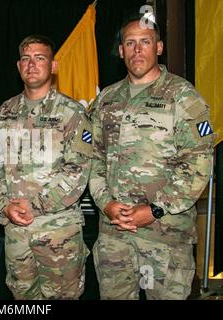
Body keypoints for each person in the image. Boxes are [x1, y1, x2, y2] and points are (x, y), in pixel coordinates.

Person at [89, 17, 214, 300]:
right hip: (115, 237)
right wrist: (106, 203)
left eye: (144, 42)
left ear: (158, 47)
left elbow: (198, 165)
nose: (137, 50)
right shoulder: (106, 100)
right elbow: (92, 158)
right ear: (121, 51)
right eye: (129, 43)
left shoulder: (183, 97)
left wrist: (155, 210)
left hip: (165, 237)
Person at [0, 34, 92, 299]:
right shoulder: (6, 111)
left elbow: (76, 171)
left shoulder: (72, 113)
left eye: (40, 58)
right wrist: (4, 205)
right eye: (26, 59)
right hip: (16, 231)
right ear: (19, 66)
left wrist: (34, 205)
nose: (32, 65)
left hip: (58, 232)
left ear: (53, 66)